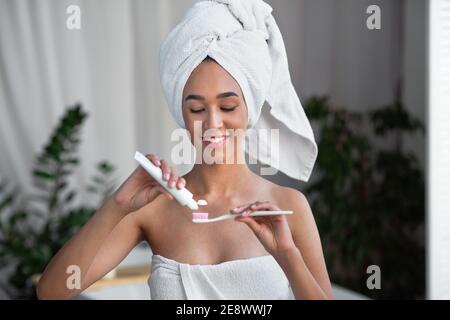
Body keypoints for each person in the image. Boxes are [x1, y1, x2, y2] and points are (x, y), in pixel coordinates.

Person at [37, 0, 333, 300]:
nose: (213, 123)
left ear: (250, 109)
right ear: (182, 114)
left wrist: (287, 255)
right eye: (196, 109)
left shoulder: (287, 206)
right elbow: (51, 292)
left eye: (228, 106)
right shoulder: (154, 209)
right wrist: (117, 205)